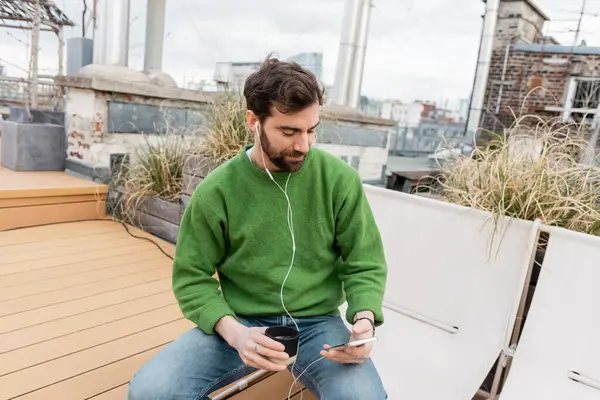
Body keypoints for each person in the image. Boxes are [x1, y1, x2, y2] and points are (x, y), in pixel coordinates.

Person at [127, 56, 388, 400]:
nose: (303, 145)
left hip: (318, 325)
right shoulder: (217, 192)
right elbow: (192, 278)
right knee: (150, 392)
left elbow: (364, 261)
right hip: (242, 323)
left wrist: (365, 321)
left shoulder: (339, 181)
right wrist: (235, 334)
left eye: (311, 130)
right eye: (289, 131)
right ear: (254, 121)